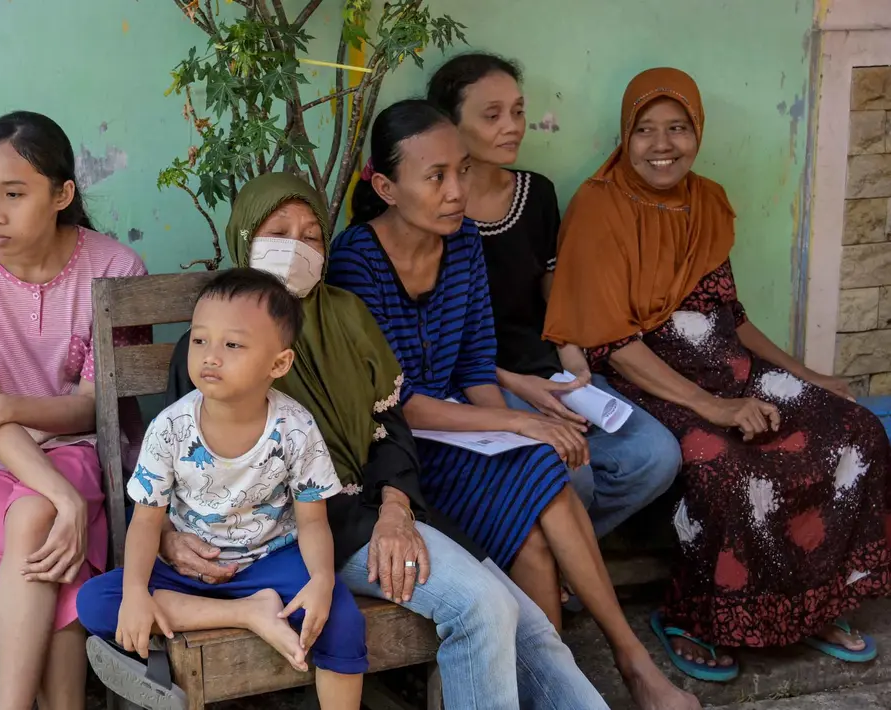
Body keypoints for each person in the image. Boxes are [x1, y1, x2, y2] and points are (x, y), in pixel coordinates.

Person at [151, 172, 606, 709]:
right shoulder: (209, 350)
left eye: (312, 235)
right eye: (278, 232)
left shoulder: (345, 314)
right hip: (304, 531)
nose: (296, 248)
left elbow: (388, 423)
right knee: (481, 607)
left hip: (379, 508)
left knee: (531, 627)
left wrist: (396, 507)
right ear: (244, 239)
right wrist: (166, 537)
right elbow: (180, 467)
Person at [328, 99, 698, 710]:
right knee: (532, 504)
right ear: (388, 187)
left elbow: (474, 367)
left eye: (462, 171)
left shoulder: (464, 241)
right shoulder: (356, 259)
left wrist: (524, 429)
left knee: (540, 474)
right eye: (436, 176)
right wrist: (516, 419)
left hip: (458, 432)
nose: (456, 191)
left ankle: (623, 663)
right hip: (395, 456)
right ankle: (595, 674)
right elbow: (395, 405)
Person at [544, 67, 891, 683]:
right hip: (650, 381)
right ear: (625, 136)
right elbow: (615, 346)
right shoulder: (599, 207)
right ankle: (695, 617)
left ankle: (818, 601)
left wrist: (809, 375)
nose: (662, 145)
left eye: (677, 127)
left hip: (732, 370)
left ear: (697, 132)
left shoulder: (705, 200)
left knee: (858, 431)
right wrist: (713, 407)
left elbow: (733, 318)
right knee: (725, 466)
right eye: (645, 130)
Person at [0, 111, 148, 710]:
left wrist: (5, 405)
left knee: (35, 521)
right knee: (46, 524)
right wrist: (66, 498)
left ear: (61, 194)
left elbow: (91, 412)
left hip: (79, 449)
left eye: (14, 194)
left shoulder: (115, 271)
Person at [78, 268, 368, 709]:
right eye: (199, 340)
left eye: (232, 344)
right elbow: (145, 523)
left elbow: (312, 523)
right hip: (189, 571)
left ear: (279, 363)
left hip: (272, 560)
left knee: (341, 619)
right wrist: (137, 591)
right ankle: (248, 613)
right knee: (98, 601)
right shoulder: (170, 428)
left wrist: (323, 580)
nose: (210, 356)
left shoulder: (295, 427)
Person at [428, 52, 680, 538]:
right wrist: (517, 384)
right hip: (476, 380)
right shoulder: (437, 212)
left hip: (548, 369)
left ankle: (560, 557)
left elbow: (555, 291)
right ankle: (550, 556)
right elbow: (437, 342)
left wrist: (573, 359)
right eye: (492, 114)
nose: (513, 127)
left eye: (518, 111)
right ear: (450, 125)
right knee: (571, 471)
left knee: (656, 456)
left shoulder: (536, 193)